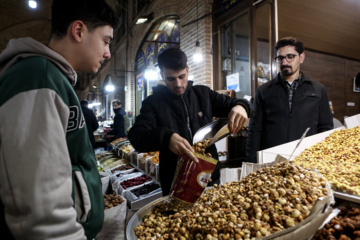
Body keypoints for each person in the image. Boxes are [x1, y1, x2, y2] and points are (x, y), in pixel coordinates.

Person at [0, 0, 118, 239]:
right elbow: (41, 206)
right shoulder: (37, 77)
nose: (107, 53)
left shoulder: (52, 78)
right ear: (78, 31)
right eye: (105, 41)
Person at [128, 48, 252, 195]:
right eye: (171, 79)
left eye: (182, 76)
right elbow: (137, 137)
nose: (178, 84)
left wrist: (241, 106)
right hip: (176, 183)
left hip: (210, 178)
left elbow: (239, 103)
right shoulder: (153, 103)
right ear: (162, 75)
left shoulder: (203, 94)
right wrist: (166, 137)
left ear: (187, 70)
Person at [246, 37, 334, 163]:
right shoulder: (264, 91)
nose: (285, 62)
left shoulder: (318, 90)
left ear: (301, 58)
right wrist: (251, 162)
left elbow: (325, 128)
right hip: (272, 160)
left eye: (290, 57)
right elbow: (255, 130)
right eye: (280, 58)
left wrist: (323, 159)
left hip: (305, 159)